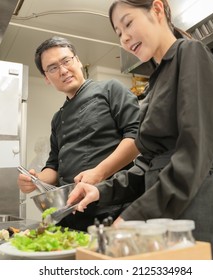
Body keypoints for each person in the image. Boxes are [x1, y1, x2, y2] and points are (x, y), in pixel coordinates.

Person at [67, 0, 213, 259]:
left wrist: (134, 215)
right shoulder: (156, 81)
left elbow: (195, 153)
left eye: (128, 23)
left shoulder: (190, 53)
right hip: (162, 205)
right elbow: (148, 164)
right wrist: (101, 190)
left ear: (157, 9)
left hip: (193, 202)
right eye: (118, 33)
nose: (124, 38)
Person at [18, 36, 141, 232]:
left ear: (78, 61)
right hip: (69, 213)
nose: (63, 70)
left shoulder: (110, 89)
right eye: (53, 68)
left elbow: (136, 137)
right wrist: (36, 180)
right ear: (47, 79)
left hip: (111, 208)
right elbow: (54, 166)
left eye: (66, 61)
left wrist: (99, 172)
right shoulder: (58, 118)